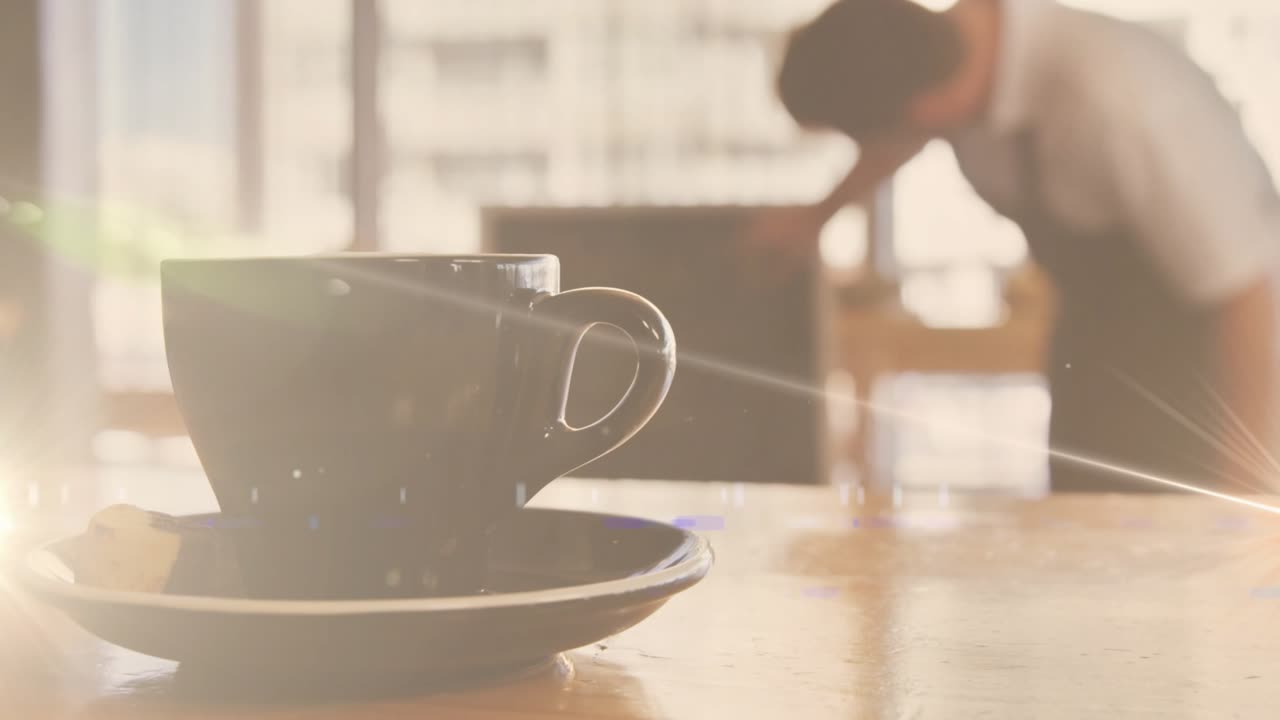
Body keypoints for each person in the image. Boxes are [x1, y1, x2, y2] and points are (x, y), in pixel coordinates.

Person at [759, 0, 1280, 492]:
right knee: (1084, 532)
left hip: (1218, 362)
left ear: (923, 108)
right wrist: (816, 216)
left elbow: (1247, 295)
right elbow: (896, 139)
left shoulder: (1125, 106)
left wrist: (1241, 488)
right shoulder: (947, 54)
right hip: (1099, 342)